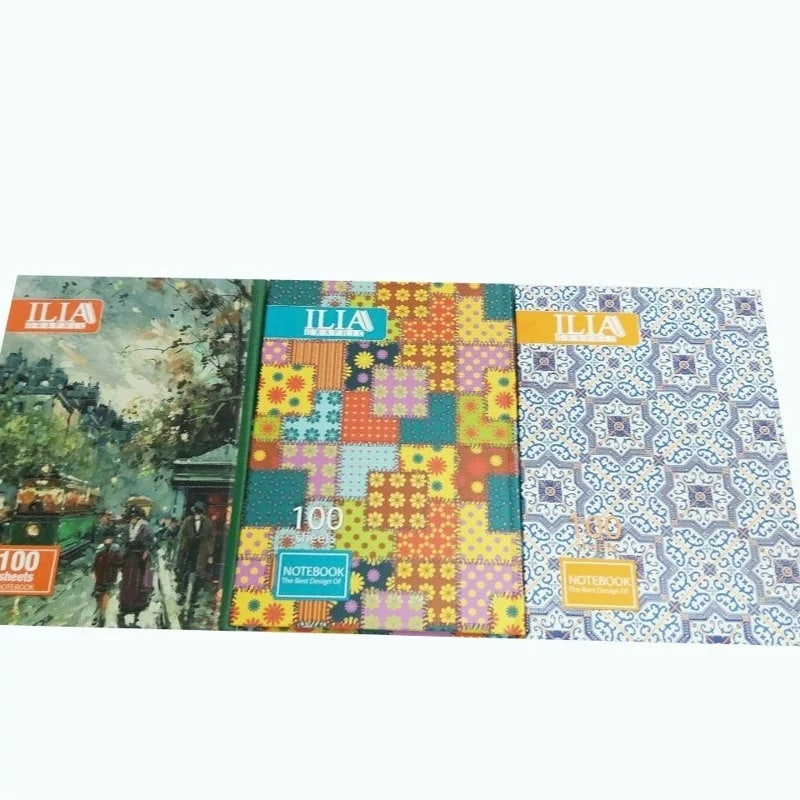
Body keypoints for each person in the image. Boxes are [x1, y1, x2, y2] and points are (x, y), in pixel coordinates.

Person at [117, 504, 154, 628]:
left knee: (137, 581)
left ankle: (136, 605)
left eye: (132, 518)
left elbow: (149, 544)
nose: (131, 520)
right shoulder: (129, 527)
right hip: (129, 556)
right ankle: (125, 604)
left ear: (138, 517)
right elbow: (124, 540)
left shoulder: (145, 527)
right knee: (127, 580)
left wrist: (145, 553)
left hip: (139, 557)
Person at [176, 501, 215, 614]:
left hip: (201, 551)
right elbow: (183, 535)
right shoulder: (188, 521)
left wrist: (210, 554)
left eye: (200, 513)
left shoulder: (207, 522)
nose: (198, 515)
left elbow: (210, 540)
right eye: (197, 513)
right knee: (185, 572)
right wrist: (182, 549)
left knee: (199, 574)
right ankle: (182, 594)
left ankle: (194, 598)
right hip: (189, 550)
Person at [91, 525, 122, 627]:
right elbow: (95, 562)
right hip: (100, 575)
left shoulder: (115, 550)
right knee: (98, 595)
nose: (107, 540)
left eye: (109, 538)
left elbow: (119, 562)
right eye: (106, 538)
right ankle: (99, 611)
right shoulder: (100, 550)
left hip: (109, 576)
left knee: (105, 594)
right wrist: (93, 572)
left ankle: (102, 614)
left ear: (112, 539)